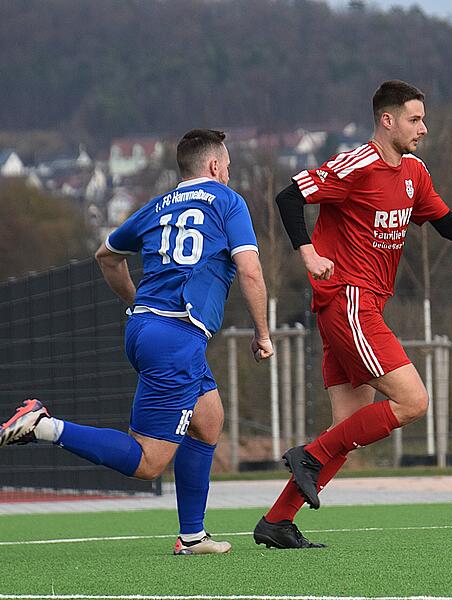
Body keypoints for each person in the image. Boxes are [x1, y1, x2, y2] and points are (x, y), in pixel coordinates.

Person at [255, 79, 452, 549]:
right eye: (415, 119)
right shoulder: (358, 163)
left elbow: (443, 222)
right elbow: (288, 197)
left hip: (360, 306)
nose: (424, 127)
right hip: (348, 300)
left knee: (346, 430)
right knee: (413, 401)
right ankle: (308, 457)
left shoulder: (415, 172)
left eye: (423, 118)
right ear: (387, 119)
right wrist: (307, 253)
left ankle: (277, 520)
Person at [0, 129, 273, 554]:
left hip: (145, 328)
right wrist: (262, 333)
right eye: (228, 167)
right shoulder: (227, 202)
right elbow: (251, 272)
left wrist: (136, 303)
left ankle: (193, 534)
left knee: (209, 418)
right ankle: (43, 426)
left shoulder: (157, 206)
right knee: (149, 462)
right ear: (216, 166)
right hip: (177, 337)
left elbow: (106, 256)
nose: (228, 174)